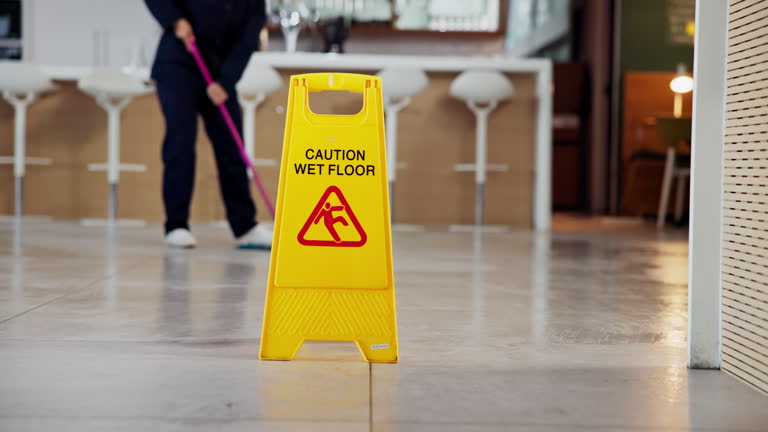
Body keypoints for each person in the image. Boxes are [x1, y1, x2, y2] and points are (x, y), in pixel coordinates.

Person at [144, 0, 271, 250]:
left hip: (220, 71)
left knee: (232, 148)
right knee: (181, 143)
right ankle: (176, 225)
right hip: (179, 64)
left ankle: (246, 227)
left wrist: (225, 81)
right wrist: (176, 20)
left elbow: (247, 40)